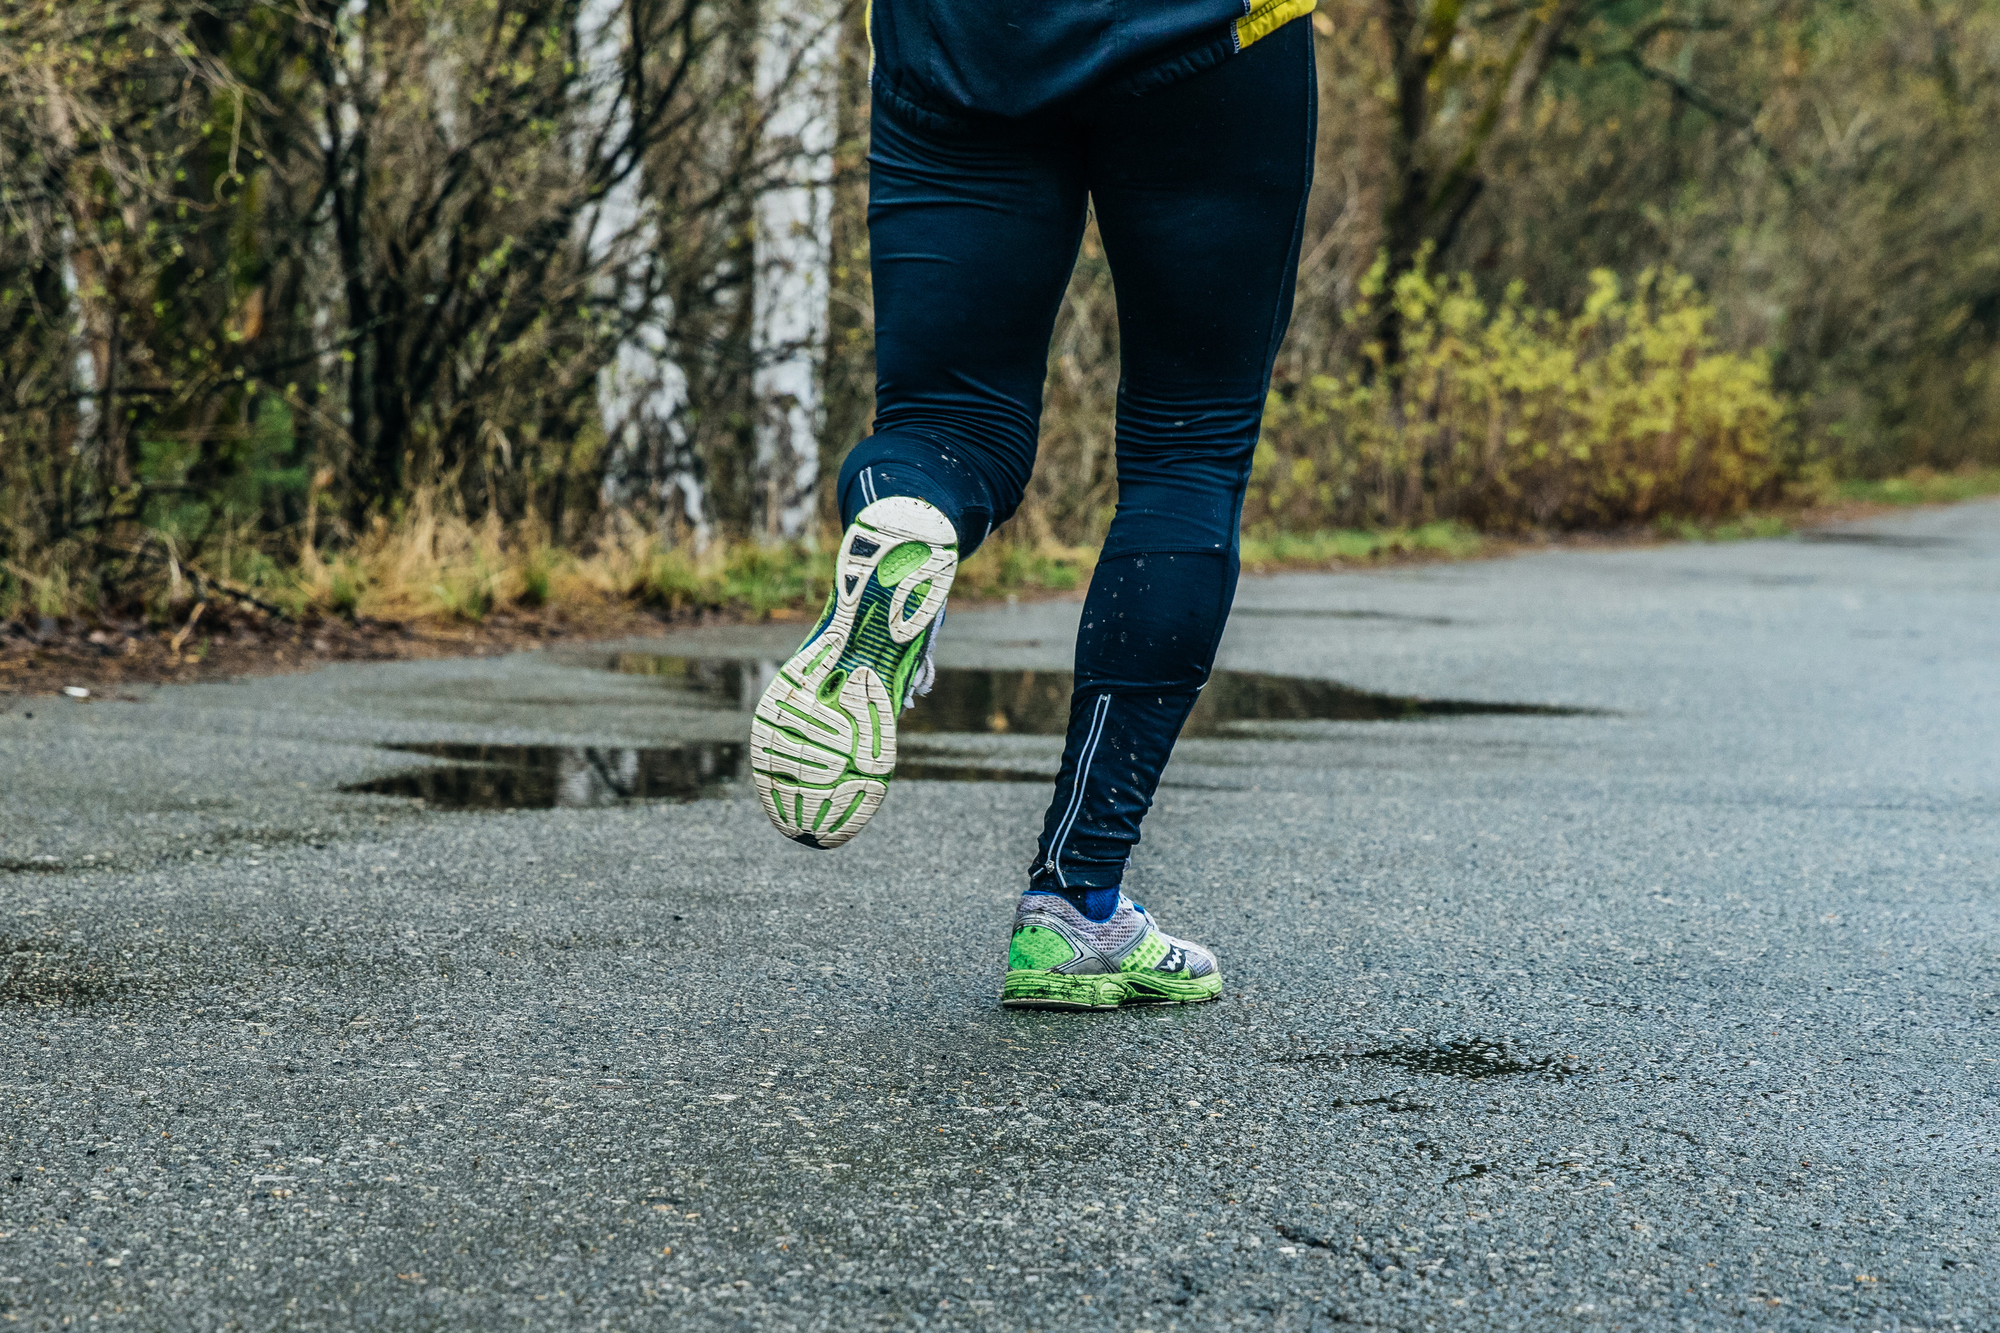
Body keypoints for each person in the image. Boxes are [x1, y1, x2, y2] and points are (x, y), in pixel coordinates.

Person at [749, 0, 1318, 1010]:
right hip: (1209, 38)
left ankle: (912, 518)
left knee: (947, 422)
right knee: (1186, 447)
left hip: (959, 37)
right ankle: (1073, 900)